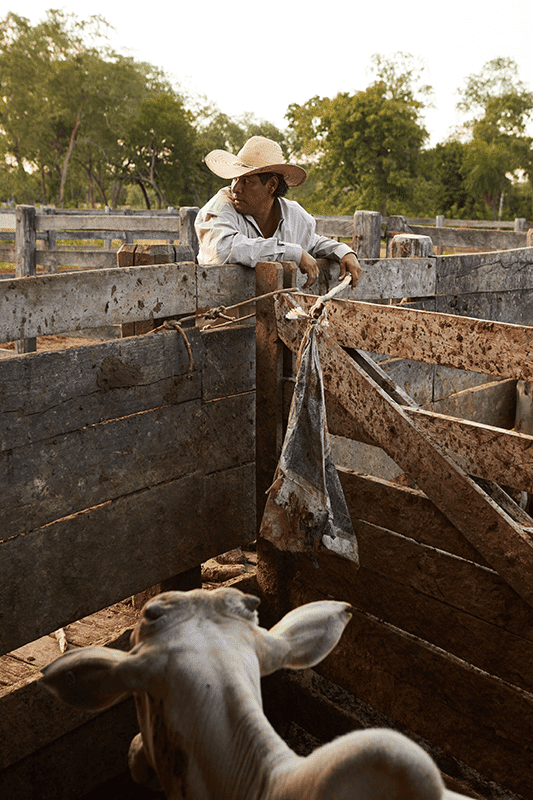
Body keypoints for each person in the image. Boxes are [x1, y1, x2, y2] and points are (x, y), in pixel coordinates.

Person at [195, 136, 361, 289]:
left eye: (246, 181)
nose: (236, 188)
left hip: (274, 315)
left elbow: (311, 242)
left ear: (272, 185)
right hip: (223, 317)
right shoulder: (219, 208)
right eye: (235, 179)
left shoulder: (294, 215)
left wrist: (343, 251)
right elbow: (223, 249)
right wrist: (292, 253)